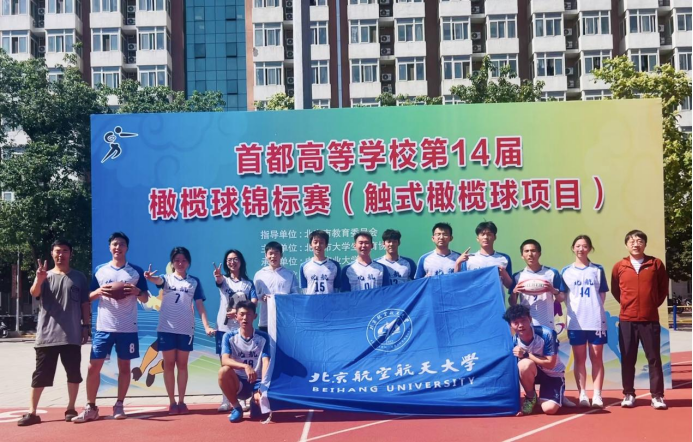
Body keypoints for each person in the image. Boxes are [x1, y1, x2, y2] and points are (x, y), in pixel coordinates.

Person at [73, 232, 149, 423]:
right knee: (93, 366)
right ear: (110, 247)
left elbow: (146, 298)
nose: (118, 247)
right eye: (115, 244)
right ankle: (91, 407)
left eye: (122, 244)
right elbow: (87, 297)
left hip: (127, 328)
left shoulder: (135, 271)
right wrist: (99, 291)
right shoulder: (100, 270)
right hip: (104, 327)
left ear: (127, 248)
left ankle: (119, 404)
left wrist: (137, 291)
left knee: (124, 366)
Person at [18, 240, 90, 426]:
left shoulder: (79, 277)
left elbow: (85, 304)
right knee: (40, 375)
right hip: (47, 336)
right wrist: (39, 279)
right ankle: (32, 412)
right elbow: (34, 293)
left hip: (72, 335)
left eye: (65, 251)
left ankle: (71, 408)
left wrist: (86, 326)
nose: (61, 254)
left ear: (70, 254)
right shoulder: (45, 275)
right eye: (58, 251)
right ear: (52, 253)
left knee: (73, 373)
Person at [143, 247, 214, 415]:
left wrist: (206, 326)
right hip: (166, 329)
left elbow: (200, 306)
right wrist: (149, 277)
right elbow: (157, 280)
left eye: (183, 260)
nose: (180, 263)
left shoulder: (194, 282)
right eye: (177, 260)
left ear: (188, 262)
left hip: (186, 330)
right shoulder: (166, 279)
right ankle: (172, 402)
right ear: (172, 263)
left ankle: (182, 401)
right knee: (168, 365)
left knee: (182, 365)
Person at [611, 230, 669, 410]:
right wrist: (628, 305)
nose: (636, 244)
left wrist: (650, 304)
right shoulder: (619, 266)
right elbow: (616, 290)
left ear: (645, 244)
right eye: (632, 241)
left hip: (649, 319)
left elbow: (662, 289)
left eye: (639, 241)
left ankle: (657, 396)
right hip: (627, 320)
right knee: (628, 358)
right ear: (626, 245)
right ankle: (628, 394)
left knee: (654, 358)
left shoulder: (655, 264)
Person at [560, 235, 609, 409]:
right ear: (573, 248)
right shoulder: (566, 271)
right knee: (579, 359)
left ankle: (597, 395)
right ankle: (582, 394)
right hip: (576, 322)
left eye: (585, 246)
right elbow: (562, 295)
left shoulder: (598, 269)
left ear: (590, 249)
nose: (581, 249)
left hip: (595, 321)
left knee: (597, 359)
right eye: (578, 246)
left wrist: (594, 310)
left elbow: (602, 294)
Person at [213, 249, 258, 412]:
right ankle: (226, 399)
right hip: (224, 328)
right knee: (225, 364)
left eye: (235, 259)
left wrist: (239, 312)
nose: (232, 262)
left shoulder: (248, 283)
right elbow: (218, 281)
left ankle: (242, 398)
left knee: (241, 360)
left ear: (241, 261)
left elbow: (254, 302)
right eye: (229, 260)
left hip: (241, 328)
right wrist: (218, 276)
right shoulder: (224, 280)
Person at [504, 305, 565, 416]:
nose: (520, 325)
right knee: (524, 364)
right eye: (516, 322)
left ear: (530, 319)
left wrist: (527, 354)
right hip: (534, 373)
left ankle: (556, 396)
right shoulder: (513, 340)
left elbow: (550, 364)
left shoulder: (546, 334)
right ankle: (531, 397)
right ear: (510, 325)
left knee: (549, 409)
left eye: (523, 320)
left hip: (553, 374)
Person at [218, 301, 270, 423]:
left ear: (255, 316)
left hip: (257, 382)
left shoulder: (263, 337)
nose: (245, 318)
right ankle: (237, 407)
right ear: (236, 316)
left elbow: (266, 362)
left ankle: (255, 401)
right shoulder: (229, 336)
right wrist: (245, 366)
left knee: (257, 415)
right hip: (239, 383)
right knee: (223, 371)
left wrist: (263, 387)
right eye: (242, 314)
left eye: (248, 314)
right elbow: (225, 360)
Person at [509, 239, 565, 330]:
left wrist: (553, 290)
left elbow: (561, 298)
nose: (530, 254)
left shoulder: (552, 273)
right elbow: (512, 303)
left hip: (547, 322)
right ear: (522, 255)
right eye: (526, 251)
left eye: (533, 251)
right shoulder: (517, 276)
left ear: (539, 254)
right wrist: (514, 293)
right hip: (526, 324)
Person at [254, 241, 300, 333]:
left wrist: (283, 298)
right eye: (270, 253)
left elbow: (296, 296)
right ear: (266, 255)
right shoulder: (259, 275)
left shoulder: (289, 274)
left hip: (285, 320)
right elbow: (254, 297)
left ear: (281, 255)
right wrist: (262, 297)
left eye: (276, 253)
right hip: (265, 321)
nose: (273, 256)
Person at [455, 221, 513, 290]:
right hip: (475, 296)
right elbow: (458, 281)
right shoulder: (469, 259)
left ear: (495, 237)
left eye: (489, 234)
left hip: (495, 297)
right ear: (477, 238)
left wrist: (504, 273)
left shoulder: (504, 258)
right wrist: (458, 263)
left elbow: (509, 285)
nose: (485, 237)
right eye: (482, 234)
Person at [299, 230, 341, 294]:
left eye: (321, 243)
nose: (318, 245)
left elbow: (337, 289)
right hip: (312, 300)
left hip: (329, 300)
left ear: (326, 245)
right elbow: (304, 290)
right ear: (310, 245)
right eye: (315, 242)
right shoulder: (304, 266)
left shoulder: (335, 265)